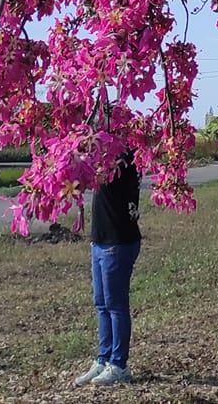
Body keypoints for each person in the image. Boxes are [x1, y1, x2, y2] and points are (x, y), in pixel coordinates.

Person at [77, 151, 142, 387]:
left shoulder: (123, 160)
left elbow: (93, 177)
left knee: (115, 306)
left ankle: (119, 364)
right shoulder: (104, 155)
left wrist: (67, 162)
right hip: (101, 240)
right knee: (102, 303)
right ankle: (103, 360)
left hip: (118, 241)